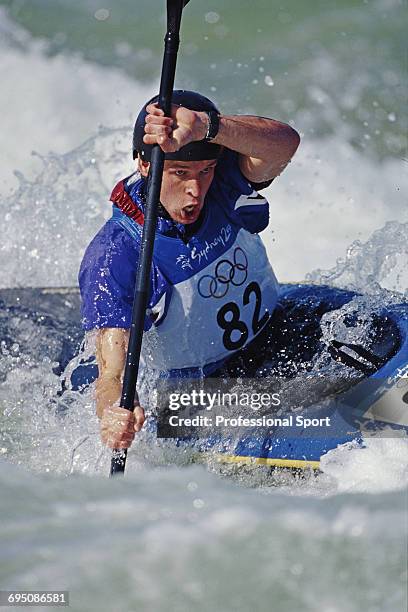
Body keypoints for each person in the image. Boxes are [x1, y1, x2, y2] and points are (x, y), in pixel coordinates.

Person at [79, 90, 300, 450]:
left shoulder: (224, 181)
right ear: (145, 165)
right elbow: (112, 376)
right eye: (179, 173)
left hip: (277, 330)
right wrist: (115, 412)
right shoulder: (115, 257)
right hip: (199, 391)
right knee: (360, 413)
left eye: (205, 171)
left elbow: (285, 144)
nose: (195, 190)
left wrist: (206, 126)